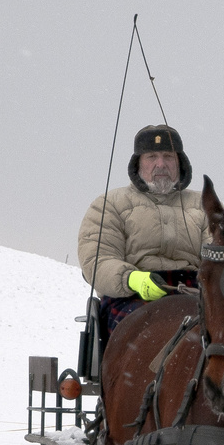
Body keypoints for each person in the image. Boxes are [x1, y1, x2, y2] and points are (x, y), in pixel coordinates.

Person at [77, 124, 206, 335]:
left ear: (180, 162)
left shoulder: (203, 204)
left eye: (168, 156)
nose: (161, 164)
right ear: (138, 164)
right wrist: (133, 279)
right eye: (152, 156)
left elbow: (220, 254)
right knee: (151, 335)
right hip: (130, 300)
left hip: (195, 297)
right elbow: (96, 260)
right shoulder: (109, 204)